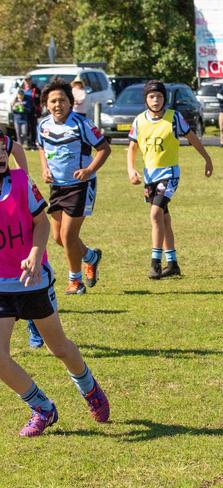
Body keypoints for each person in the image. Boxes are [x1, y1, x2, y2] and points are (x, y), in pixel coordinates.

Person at [0, 139, 110, 437]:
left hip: (33, 281)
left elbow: (42, 224)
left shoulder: (21, 181)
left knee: (57, 347)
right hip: (1, 287)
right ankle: (42, 408)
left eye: (1, 148)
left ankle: (89, 388)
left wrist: (36, 253)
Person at [127, 80, 213, 279]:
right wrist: (131, 169)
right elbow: (132, 147)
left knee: (156, 213)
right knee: (164, 218)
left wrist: (207, 159)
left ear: (165, 98)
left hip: (170, 174)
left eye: (159, 96)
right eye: (151, 96)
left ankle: (155, 263)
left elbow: (192, 138)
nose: (155, 100)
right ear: (146, 99)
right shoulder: (139, 120)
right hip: (150, 175)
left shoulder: (174, 118)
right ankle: (172, 263)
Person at [37, 78, 110, 295]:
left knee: (69, 235)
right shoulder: (43, 125)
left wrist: (89, 170)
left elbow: (104, 149)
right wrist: (44, 169)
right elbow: (41, 147)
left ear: (70, 102)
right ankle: (90, 256)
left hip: (81, 185)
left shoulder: (82, 124)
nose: (57, 105)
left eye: (62, 100)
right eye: (52, 101)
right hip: (57, 186)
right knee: (58, 237)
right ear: (46, 104)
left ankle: (75, 282)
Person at [0, 129, 41, 348]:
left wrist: (22, 177)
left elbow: (15, 147)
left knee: (26, 280)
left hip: (21, 246)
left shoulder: (3, 141)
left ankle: (35, 323)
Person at [21, 76, 41, 150]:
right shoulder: (22, 89)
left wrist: (38, 110)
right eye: (26, 80)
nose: (27, 82)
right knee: (26, 129)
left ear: (31, 81)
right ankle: (27, 143)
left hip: (33, 112)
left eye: (28, 80)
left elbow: (39, 100)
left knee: (33, 128)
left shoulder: (36, 89)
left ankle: (33, 144)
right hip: (24, 113)